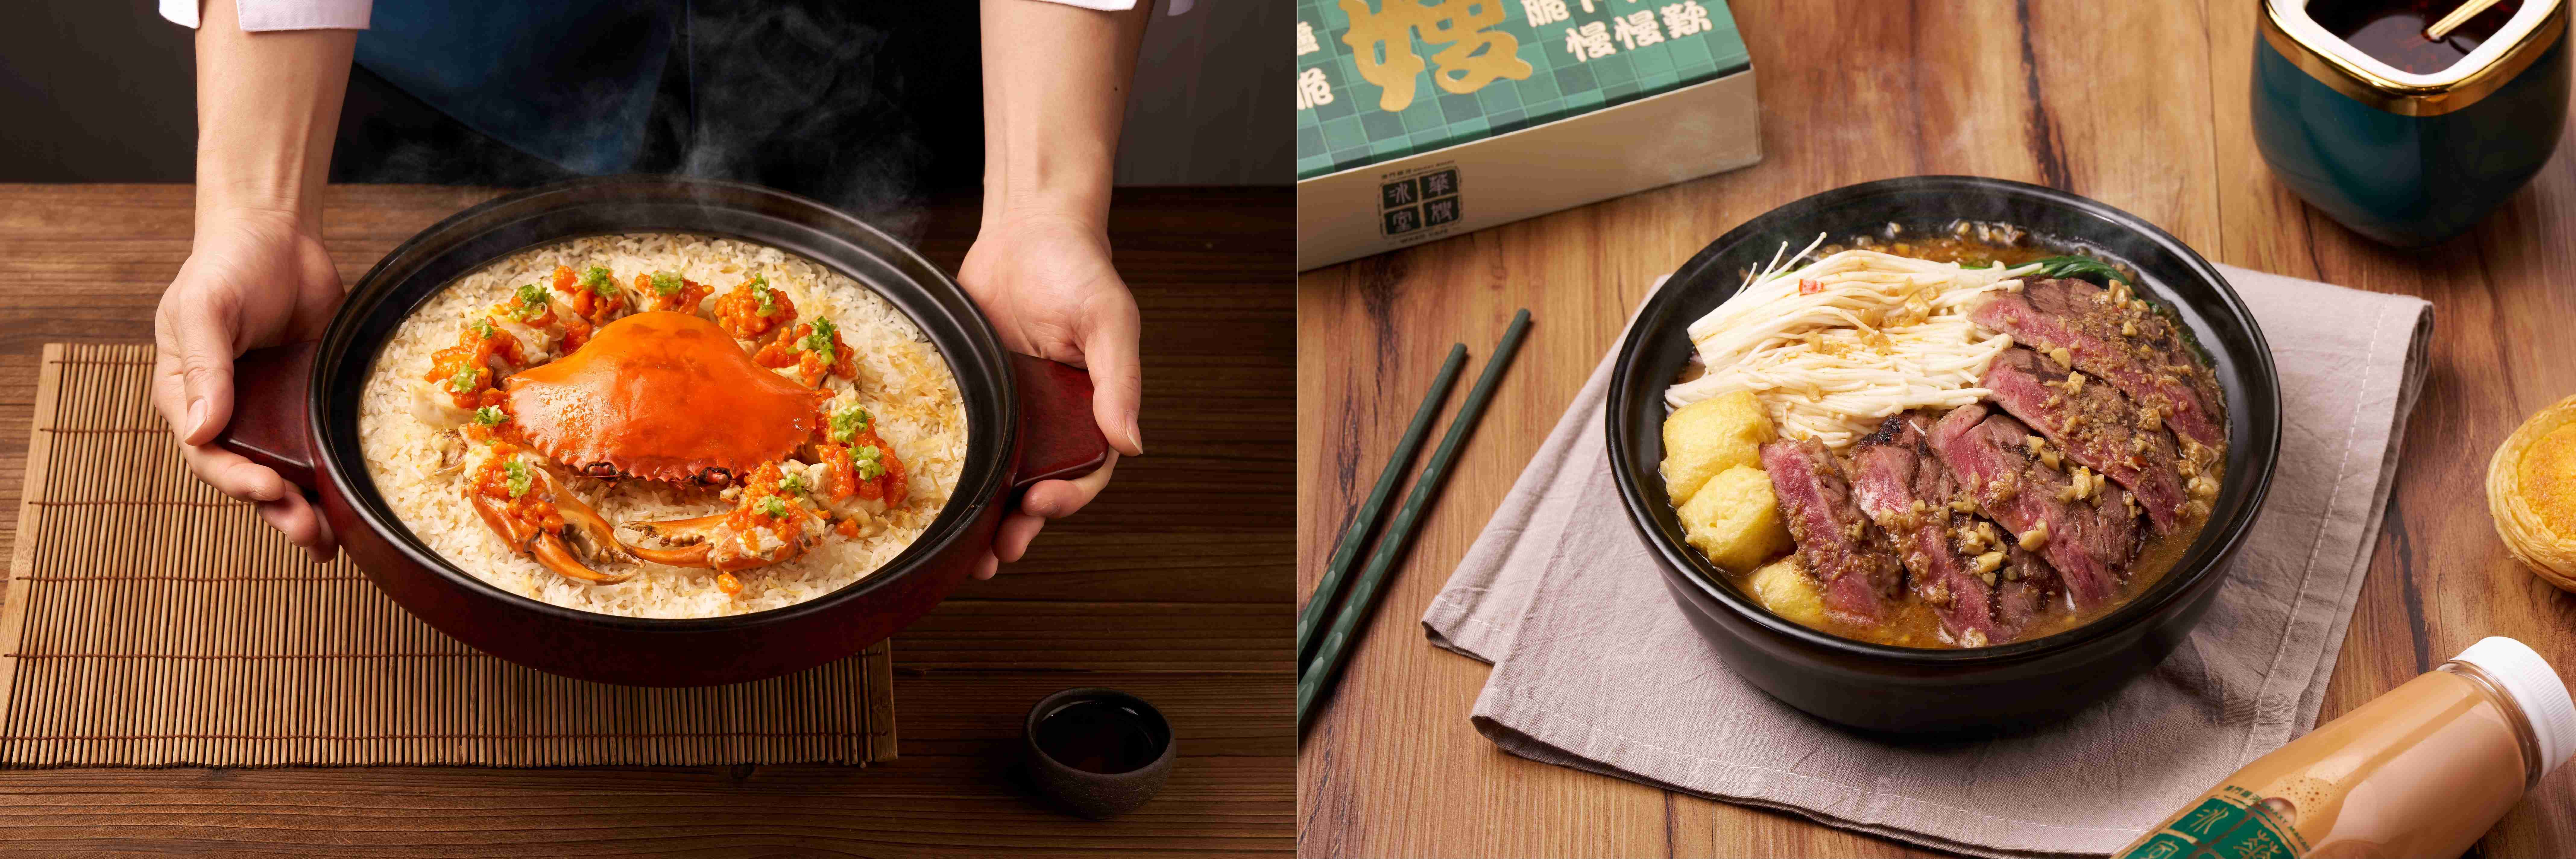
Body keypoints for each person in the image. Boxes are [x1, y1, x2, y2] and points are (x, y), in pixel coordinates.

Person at [150, 0, 1149, 579]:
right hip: (473, 55)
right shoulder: (508, 396)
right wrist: (261, 213)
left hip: (912, 66)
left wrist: (1037, 210)